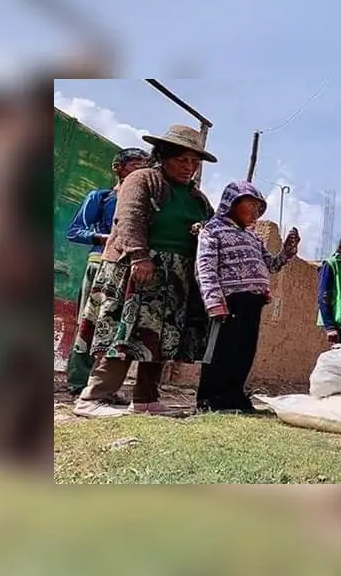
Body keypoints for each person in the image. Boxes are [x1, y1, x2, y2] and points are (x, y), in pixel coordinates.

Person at [71, 124, 216, 418]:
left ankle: (147, 399)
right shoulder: (142, 179)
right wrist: (139, 257)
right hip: (136, 269)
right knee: (125, 332)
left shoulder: (196, 197)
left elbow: (211, 228)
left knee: (162, 338)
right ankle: (93, 397)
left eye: (194, 162)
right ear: (162, 155)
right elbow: (129, 219)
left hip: (176, 276)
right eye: (181, 160)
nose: (189, 167)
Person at [195, 180, 300, 413]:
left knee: (244, 351)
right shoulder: (213, 230)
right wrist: (214, 301)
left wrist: (287, 251)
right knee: (222, 350)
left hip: (253, 302)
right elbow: (206, 267)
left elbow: (271, 265)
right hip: (229, 300)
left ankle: (234, 396)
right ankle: (210, 399)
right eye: (250, 204)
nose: (255, 211)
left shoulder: (254, 237)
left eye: (258, 207)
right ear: (231, 203)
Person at [64, 147, 150, 398]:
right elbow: (75, 231)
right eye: (135, 164)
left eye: (145, 165)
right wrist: (105, 238)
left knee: (116, 328)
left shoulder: (147, 202)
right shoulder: (100, 198)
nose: (141, 169)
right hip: (100, 263)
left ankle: (101, 386)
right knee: (88, 323)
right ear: (118, 168)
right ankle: (79, 382)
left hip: (129, 268)